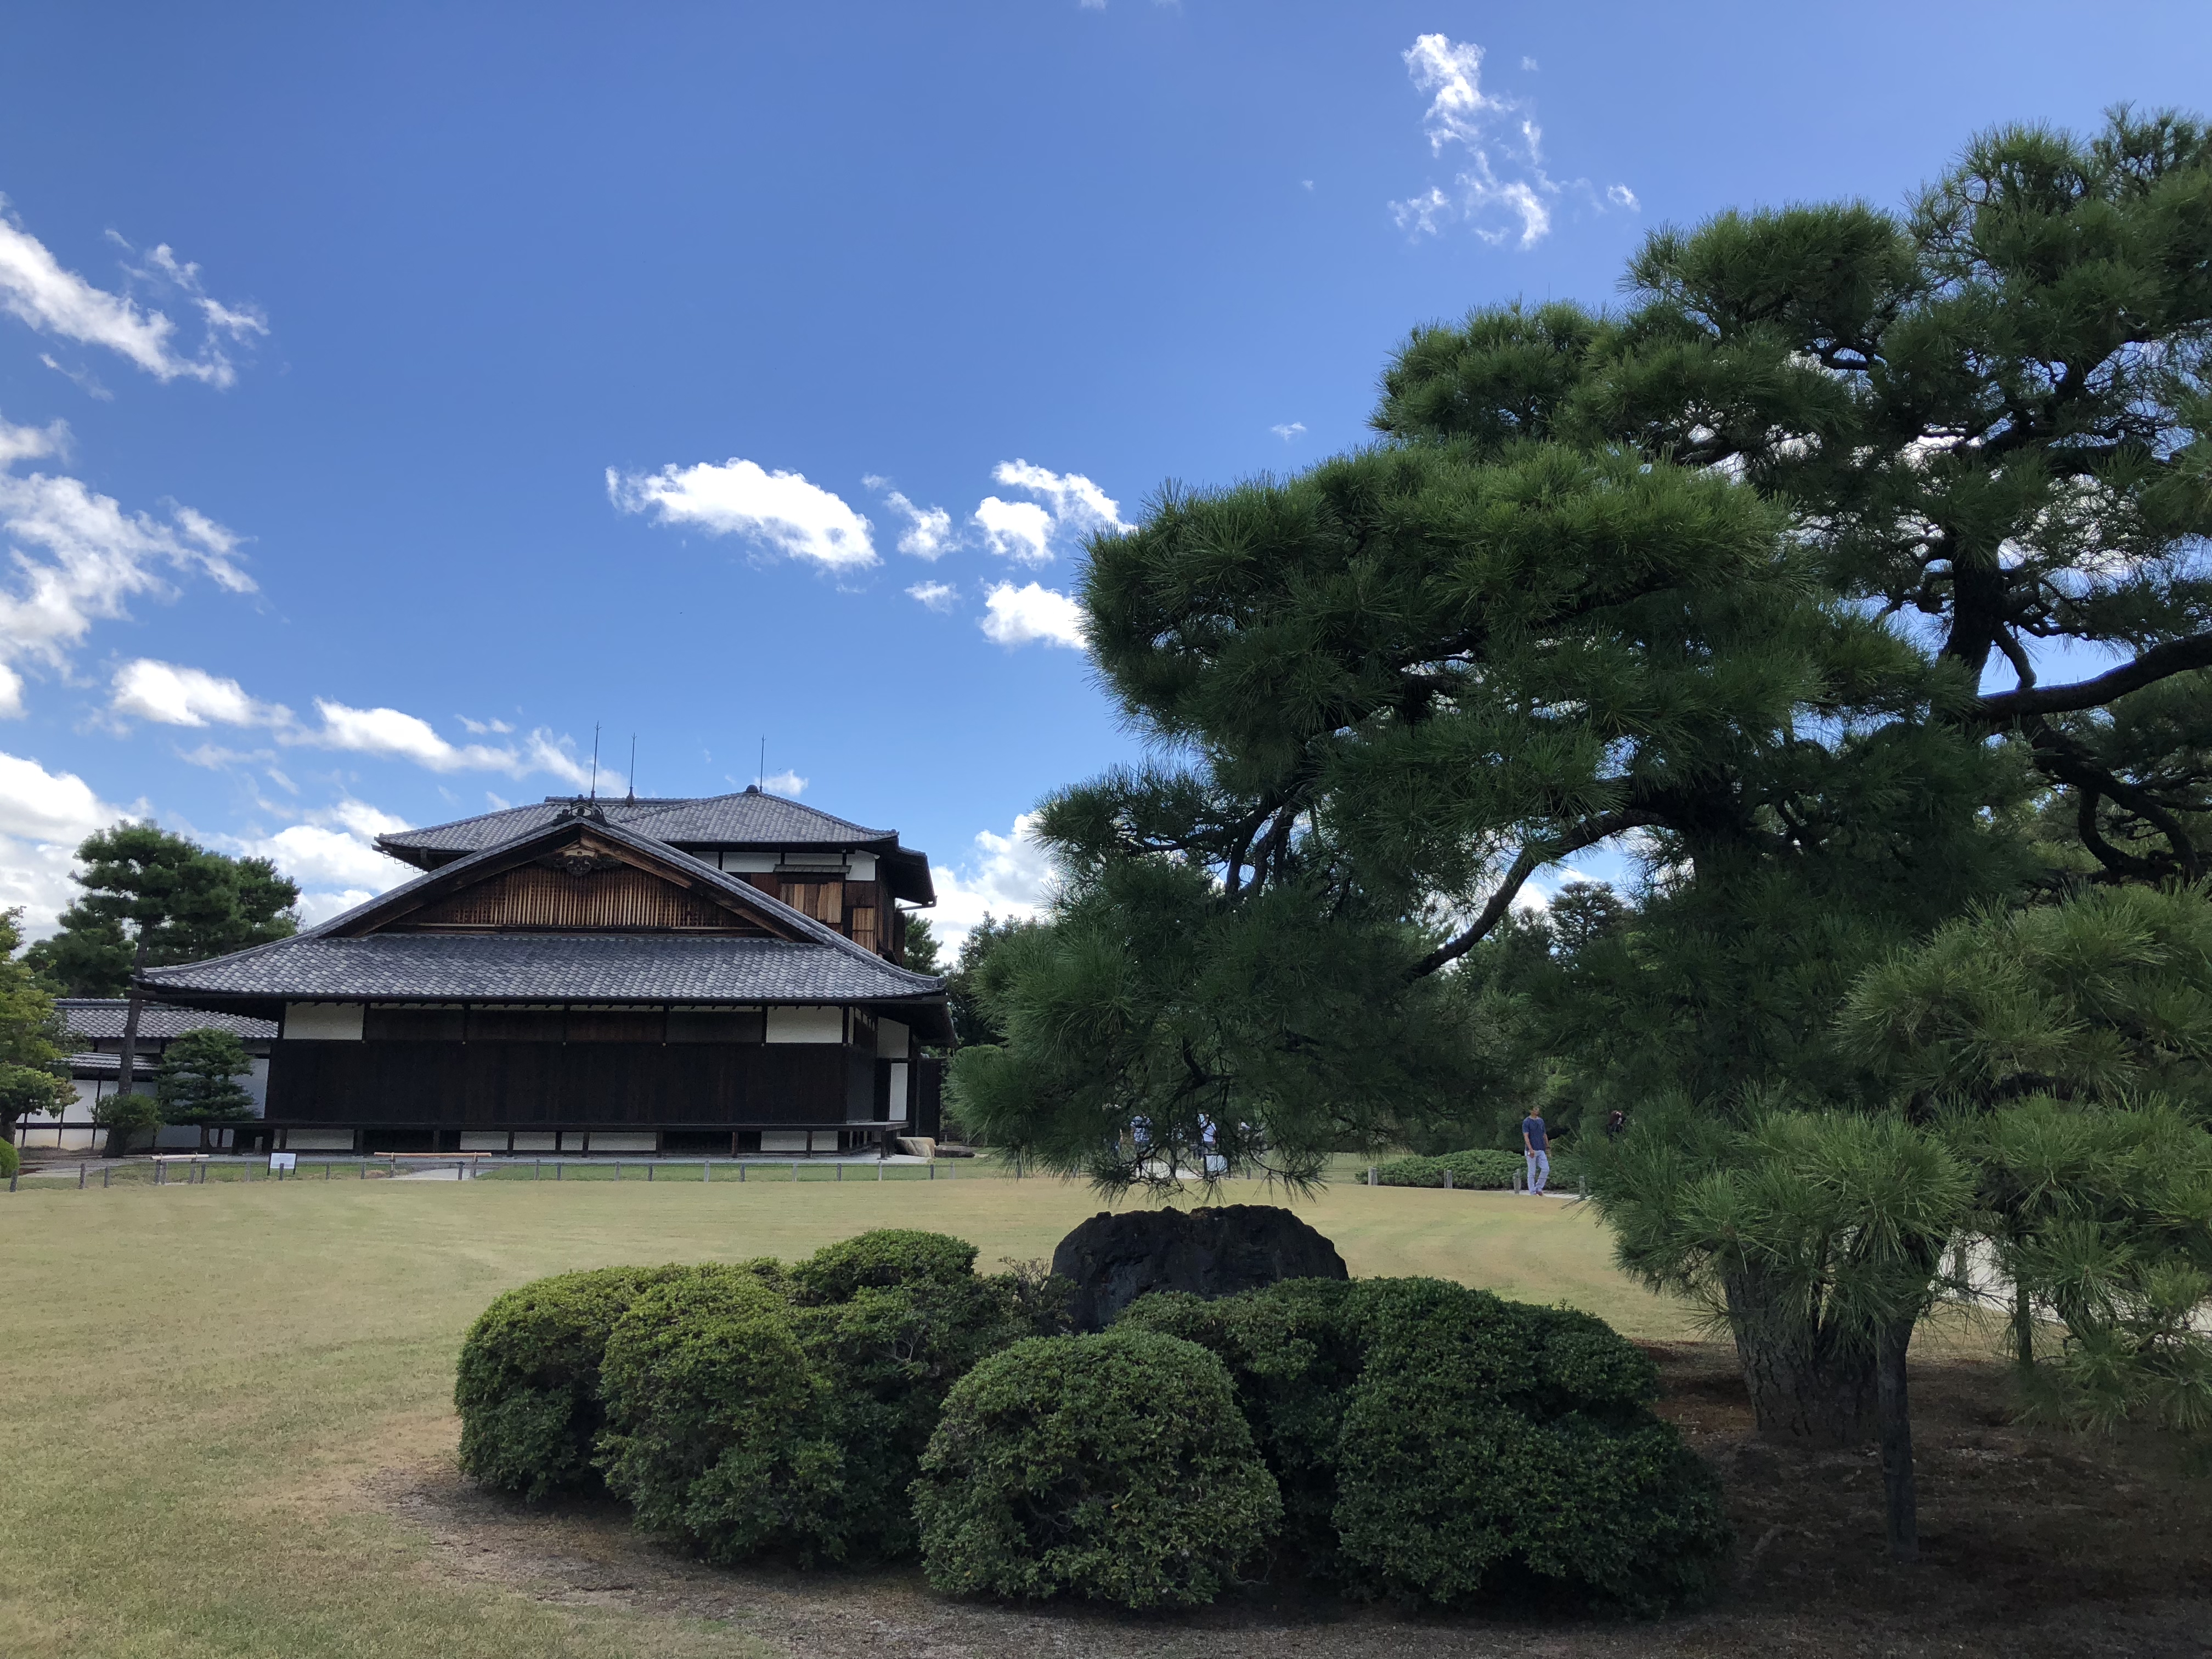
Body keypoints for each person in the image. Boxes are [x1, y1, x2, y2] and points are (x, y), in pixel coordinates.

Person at [1521, 1107, 1550, 1195]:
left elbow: (1544, 1134)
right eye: (1535, 1109)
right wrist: (1530, 1149)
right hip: (1532, 1150)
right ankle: (1532, 1191)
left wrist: (1547, 1146)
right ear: (1531, 1111)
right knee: (1532, 1171)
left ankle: (1539, 1188)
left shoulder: (1541, 1121)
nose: (1537, 1111)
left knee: (1546, 1169)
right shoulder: (1527, 1122)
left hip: (1541, 1149)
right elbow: (1526, 1136)